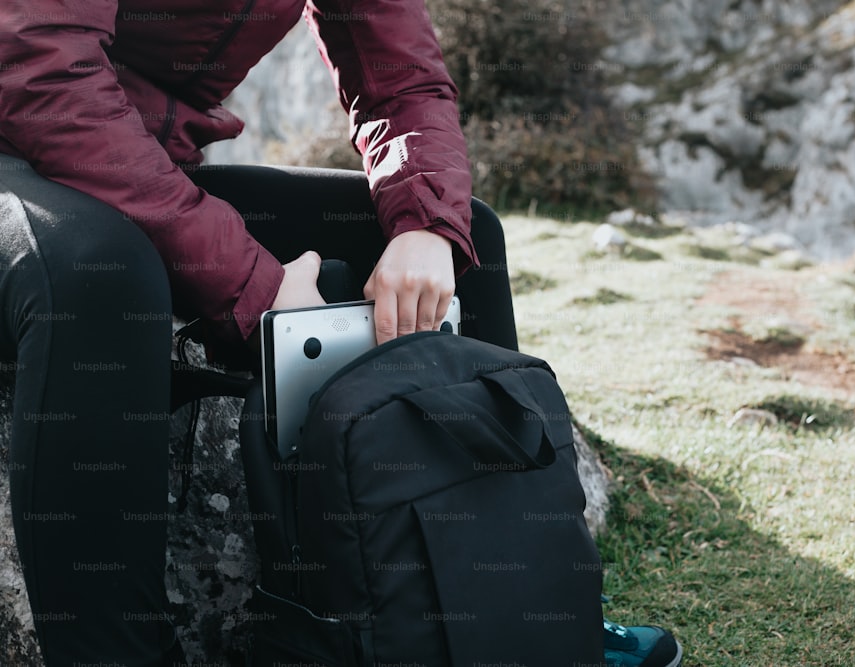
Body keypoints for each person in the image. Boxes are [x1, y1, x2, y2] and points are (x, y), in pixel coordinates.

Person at [0, 0, 681, 665]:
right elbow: (40, 67)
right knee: (104, 273)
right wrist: (255, 287)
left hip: (135, 158)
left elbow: (399, 75)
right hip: (21, 134)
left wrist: (425, 223)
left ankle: (528, 613)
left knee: (471, 241)